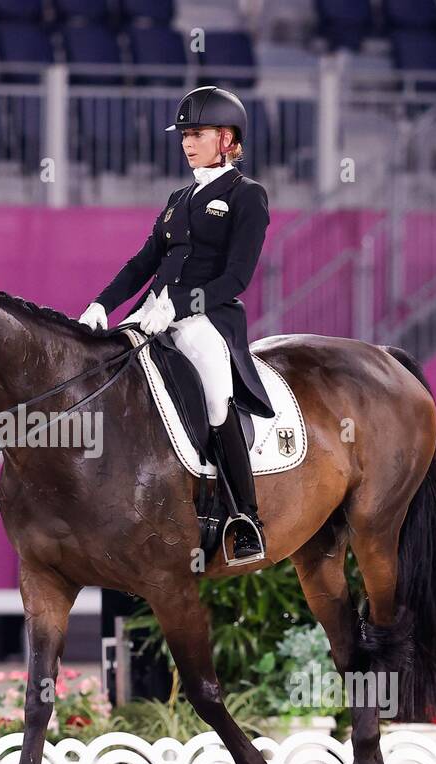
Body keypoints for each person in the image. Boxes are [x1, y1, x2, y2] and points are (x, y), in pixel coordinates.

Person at [73, 86, 274, 563]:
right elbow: (142, 263)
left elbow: (238, 277)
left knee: (214, 391)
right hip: (152, 313)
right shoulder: (179, 197)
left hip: (208, 319)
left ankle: (244, 516)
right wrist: (102, 303)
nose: (187, 143)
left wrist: (182, 304)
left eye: (197, 134)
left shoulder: (248, 196)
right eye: (184, 134)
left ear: (226, 138)